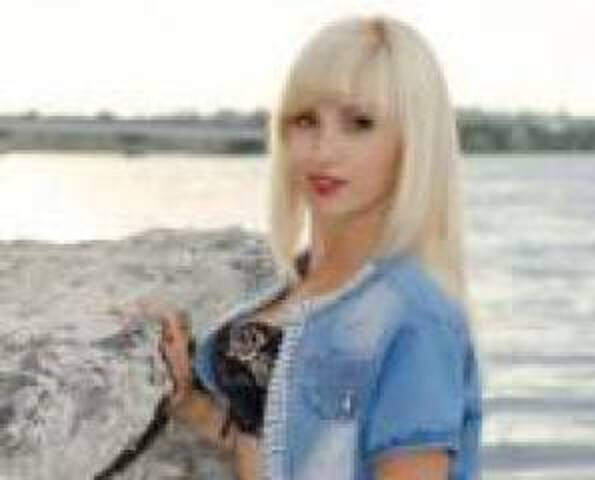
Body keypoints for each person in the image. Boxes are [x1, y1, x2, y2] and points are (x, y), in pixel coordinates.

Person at [147, 13, 483, 480]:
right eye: (306, 120)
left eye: (359, 123)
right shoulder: (294, 284)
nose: (322, 151)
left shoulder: (415, 317)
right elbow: (285, 444)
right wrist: (189, 402)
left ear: (413, 141)